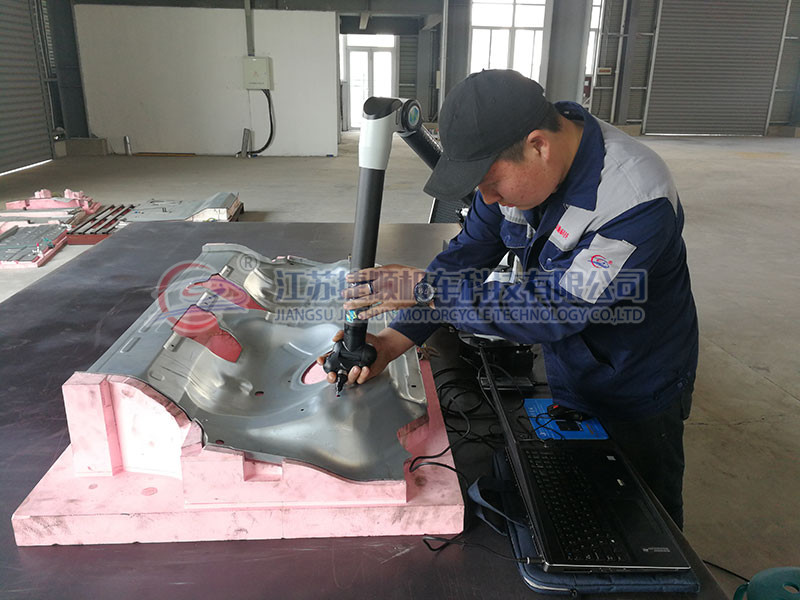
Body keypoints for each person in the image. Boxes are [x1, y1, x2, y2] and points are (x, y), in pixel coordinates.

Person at [317, 69, 698, 528]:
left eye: (491, 183)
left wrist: (425, 289)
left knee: (646, 519)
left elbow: (555, 308)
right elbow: (466, 256)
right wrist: (392, 342)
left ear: (539, 146)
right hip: (568, 362)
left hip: (636, 379)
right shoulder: (514, 167)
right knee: (581, 498)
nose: (488, 198)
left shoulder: (635, 199)